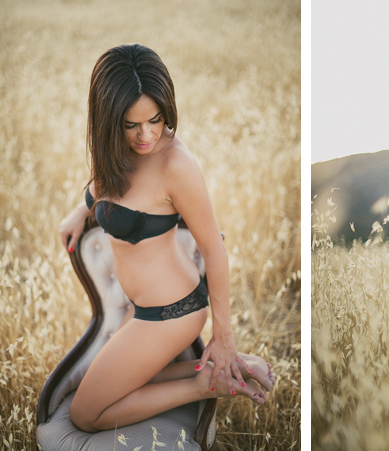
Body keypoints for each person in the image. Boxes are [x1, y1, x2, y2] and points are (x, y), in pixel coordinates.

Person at [58, 44, 275, 432]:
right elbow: (108, 188)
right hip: (137, 308)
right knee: (118, 382)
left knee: (84, 414)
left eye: (156, 120)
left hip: (171, 313)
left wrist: (223, 338)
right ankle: (235, 365)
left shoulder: (176, 164)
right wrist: (83, 208)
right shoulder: (114, 150)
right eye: (132, 125)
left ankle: (206, 383)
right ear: (109, 122)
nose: (147, 135)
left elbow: (214, 249)